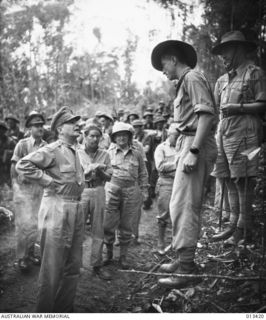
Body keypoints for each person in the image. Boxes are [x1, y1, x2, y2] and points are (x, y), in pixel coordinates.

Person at [151, 39, 217, 288]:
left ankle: (188, 270)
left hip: (194, 145)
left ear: (174, 59)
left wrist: (194, 150)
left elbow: (207, 114)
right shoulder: (183, 84)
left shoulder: (192, 78)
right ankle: (183, 258)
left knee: (185, 205)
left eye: (163, 64)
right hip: (187, 144)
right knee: (178, 205)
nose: (163, 70)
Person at [16, 106, 85, 312]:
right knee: (52, 266)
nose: (78, 126)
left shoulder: (76, 150)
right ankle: (45, 312)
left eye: (77, 123)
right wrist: (46, 180)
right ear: (60, 128)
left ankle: (65, 309)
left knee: (73, 265)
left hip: (75, 206)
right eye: (73, 123)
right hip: (57, 207)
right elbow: (23, 165)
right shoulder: (52, 149)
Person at [211, 31, 266, 245]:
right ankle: (233, 224)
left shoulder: (255, 74)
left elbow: (264, 104)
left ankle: (244, 229)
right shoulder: (222, 80)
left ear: (240, 50)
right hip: (225, 134)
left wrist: (238, 107)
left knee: (244, 180)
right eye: (221, 52)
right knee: (227, 177)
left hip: (247, 134)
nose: (223, 56)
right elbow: (218, 110)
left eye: (227, 51)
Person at [103, 122, 148, 269]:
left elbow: (143, 172)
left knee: (126, 224)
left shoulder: (137, 153)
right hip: (112, 189)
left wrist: (144, 190)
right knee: (108, 223)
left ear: (129, 137)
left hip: (130, 190)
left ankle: (123, 256)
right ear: (114, 138)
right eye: (118, 135)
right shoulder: (108, 152)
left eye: (124, 135)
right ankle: (108, 254)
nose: (121, 138)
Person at [11, 111, 47, 272]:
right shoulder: (22, 144)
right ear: (29, 128)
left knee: (34, 223)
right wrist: (16, 188)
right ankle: (21, 258)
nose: (40, 127)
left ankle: (31, 254)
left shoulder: (46, 146)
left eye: (41, 124)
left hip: (38, 190)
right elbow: (14, 167)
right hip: (23, 190)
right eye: (36, 125)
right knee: (22, 224)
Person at [77, 123, 113, 280]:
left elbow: (110, 176)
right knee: (78, 228)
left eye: (97, 136)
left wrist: (100, 171)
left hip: (98, 189)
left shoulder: (105, 154)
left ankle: (97, 266)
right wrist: (89, 169)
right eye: (91, 135)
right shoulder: (77, 152)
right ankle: (74, 265)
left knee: (98, 228)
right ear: (85, 136)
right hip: (82, 190)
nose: (94, 138)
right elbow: (74, 175)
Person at [154, 124, 179, 254]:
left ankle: (175, 243)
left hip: (180, 183)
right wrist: (177, 163)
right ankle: (160, 243)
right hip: (166, 183)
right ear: (169, 134)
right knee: (163, 214)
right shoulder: (161, 148)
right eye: (176, 135)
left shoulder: (182, 147)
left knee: (179, 214)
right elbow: (160, 166)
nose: (178, 138)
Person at [0, 121, 16, 187]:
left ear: (5, 130)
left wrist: (7, 153)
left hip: (6, 168)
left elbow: (17, 153)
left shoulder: (10, 141)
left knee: (9, 186)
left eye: (2, 129)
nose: (0, 130)